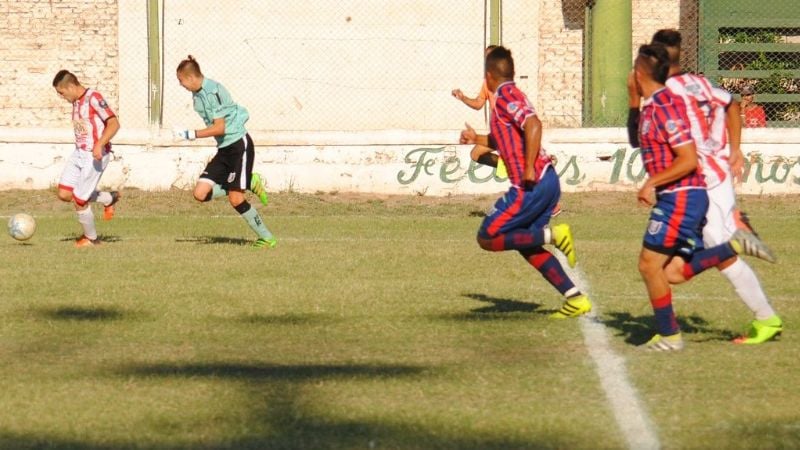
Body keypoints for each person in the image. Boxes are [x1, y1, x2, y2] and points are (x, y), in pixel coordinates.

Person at [630, 44, 774, 351]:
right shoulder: (695, 84)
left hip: (697, 182)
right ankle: (760, 309)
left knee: (659, 263)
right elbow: (731, 104)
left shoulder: (668, 98)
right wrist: (734, 148)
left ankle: (765, 317)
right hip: (704, 178)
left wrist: (652, 182)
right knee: (673, 272)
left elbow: (687, 154)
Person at [460, 46, 590, 319]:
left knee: (486, 236)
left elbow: (533, 124)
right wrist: (476, 139)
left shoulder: (506, 96)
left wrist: (529, 166)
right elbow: (503, 140)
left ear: (488, 76)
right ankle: (575, 299)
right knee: (525, 243)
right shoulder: (508, 96)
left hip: (531, 184)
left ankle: (554, 235)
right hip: (545, 181)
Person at [174, 56, 276, 249]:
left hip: (239, 146)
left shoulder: (214, 92)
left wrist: (190, 134)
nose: (181, 85)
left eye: (181, 80)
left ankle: (267, 238)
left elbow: (219, 128)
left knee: (235, 198)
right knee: (200, 194)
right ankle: (249, 181)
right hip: (224, 149)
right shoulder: (197, 95)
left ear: (190, 78)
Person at [52, 70, 121, 248]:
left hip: (95, 155)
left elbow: (114, 123)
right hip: (79, 153)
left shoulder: (94, 98)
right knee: (65, 194)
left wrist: (100, 144)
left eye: (62, 92)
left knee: (80, 200)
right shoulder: (76, 102)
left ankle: (91, 239)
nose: (61, 96)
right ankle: (108, 198)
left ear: (71, 86)